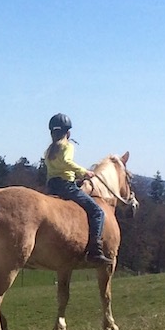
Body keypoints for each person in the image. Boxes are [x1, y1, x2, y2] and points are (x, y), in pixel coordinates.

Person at [44, 113, 113, 265]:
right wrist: (84, 172)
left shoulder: (49, 151)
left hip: (51, 186)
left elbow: (57, 167)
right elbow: (66, 162)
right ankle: (95, 250)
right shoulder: (67, 146)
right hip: (65, 186)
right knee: (97, 212)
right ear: (68, 132)